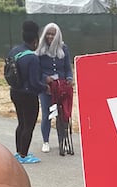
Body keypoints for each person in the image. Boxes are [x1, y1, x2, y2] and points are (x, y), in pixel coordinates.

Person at [9, 20, 47, 164]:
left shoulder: (14, 51)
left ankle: (19, 152)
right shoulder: (32, 57)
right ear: (35, 41)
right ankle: (24, 155)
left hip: (15, 91)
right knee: (29, 125)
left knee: (21, 123)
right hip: (28, 95)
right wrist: (45, 87)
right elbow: (35, 82)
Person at [36, 22, 74, 154]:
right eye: (48, 34)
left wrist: (69, 79)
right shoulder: (40, 51)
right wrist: (45, 78)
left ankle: (62, 140)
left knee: (62, 114)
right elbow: (37, 69)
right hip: (46, 88)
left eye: (53, 34)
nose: (50, 36)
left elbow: (67, 68)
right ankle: (45, 141)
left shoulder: (64, 48)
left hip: (61, 86)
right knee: (47, 114)